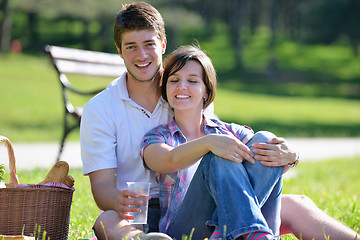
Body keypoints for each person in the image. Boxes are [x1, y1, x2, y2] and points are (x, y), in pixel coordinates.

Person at [80, 2, 360, 240]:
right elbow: (104, 186)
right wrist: (120, 201)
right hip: (143, 212)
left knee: (297, 203)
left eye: (148, 45)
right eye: (131, 47)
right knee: (107, 219)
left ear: (162, 44)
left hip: (208, 199)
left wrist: (290, 155)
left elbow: (234, 154)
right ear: (119, 50)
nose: (141, 55)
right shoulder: (101, 109)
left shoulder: (185, 94)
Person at [141, 45, 285, 240]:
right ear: (166, 90)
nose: (181, 86)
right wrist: (209, 143)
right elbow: (167, 159)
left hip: (220, 229)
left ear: (206, 91)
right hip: (184, 230)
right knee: (218, 154)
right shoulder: (156, 137)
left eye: (192, 81)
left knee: (265, 138)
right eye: (174, 80)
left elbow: (265, 170)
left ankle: (224, 230)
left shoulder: (229, 131)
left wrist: (291, 157)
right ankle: (248, 232)